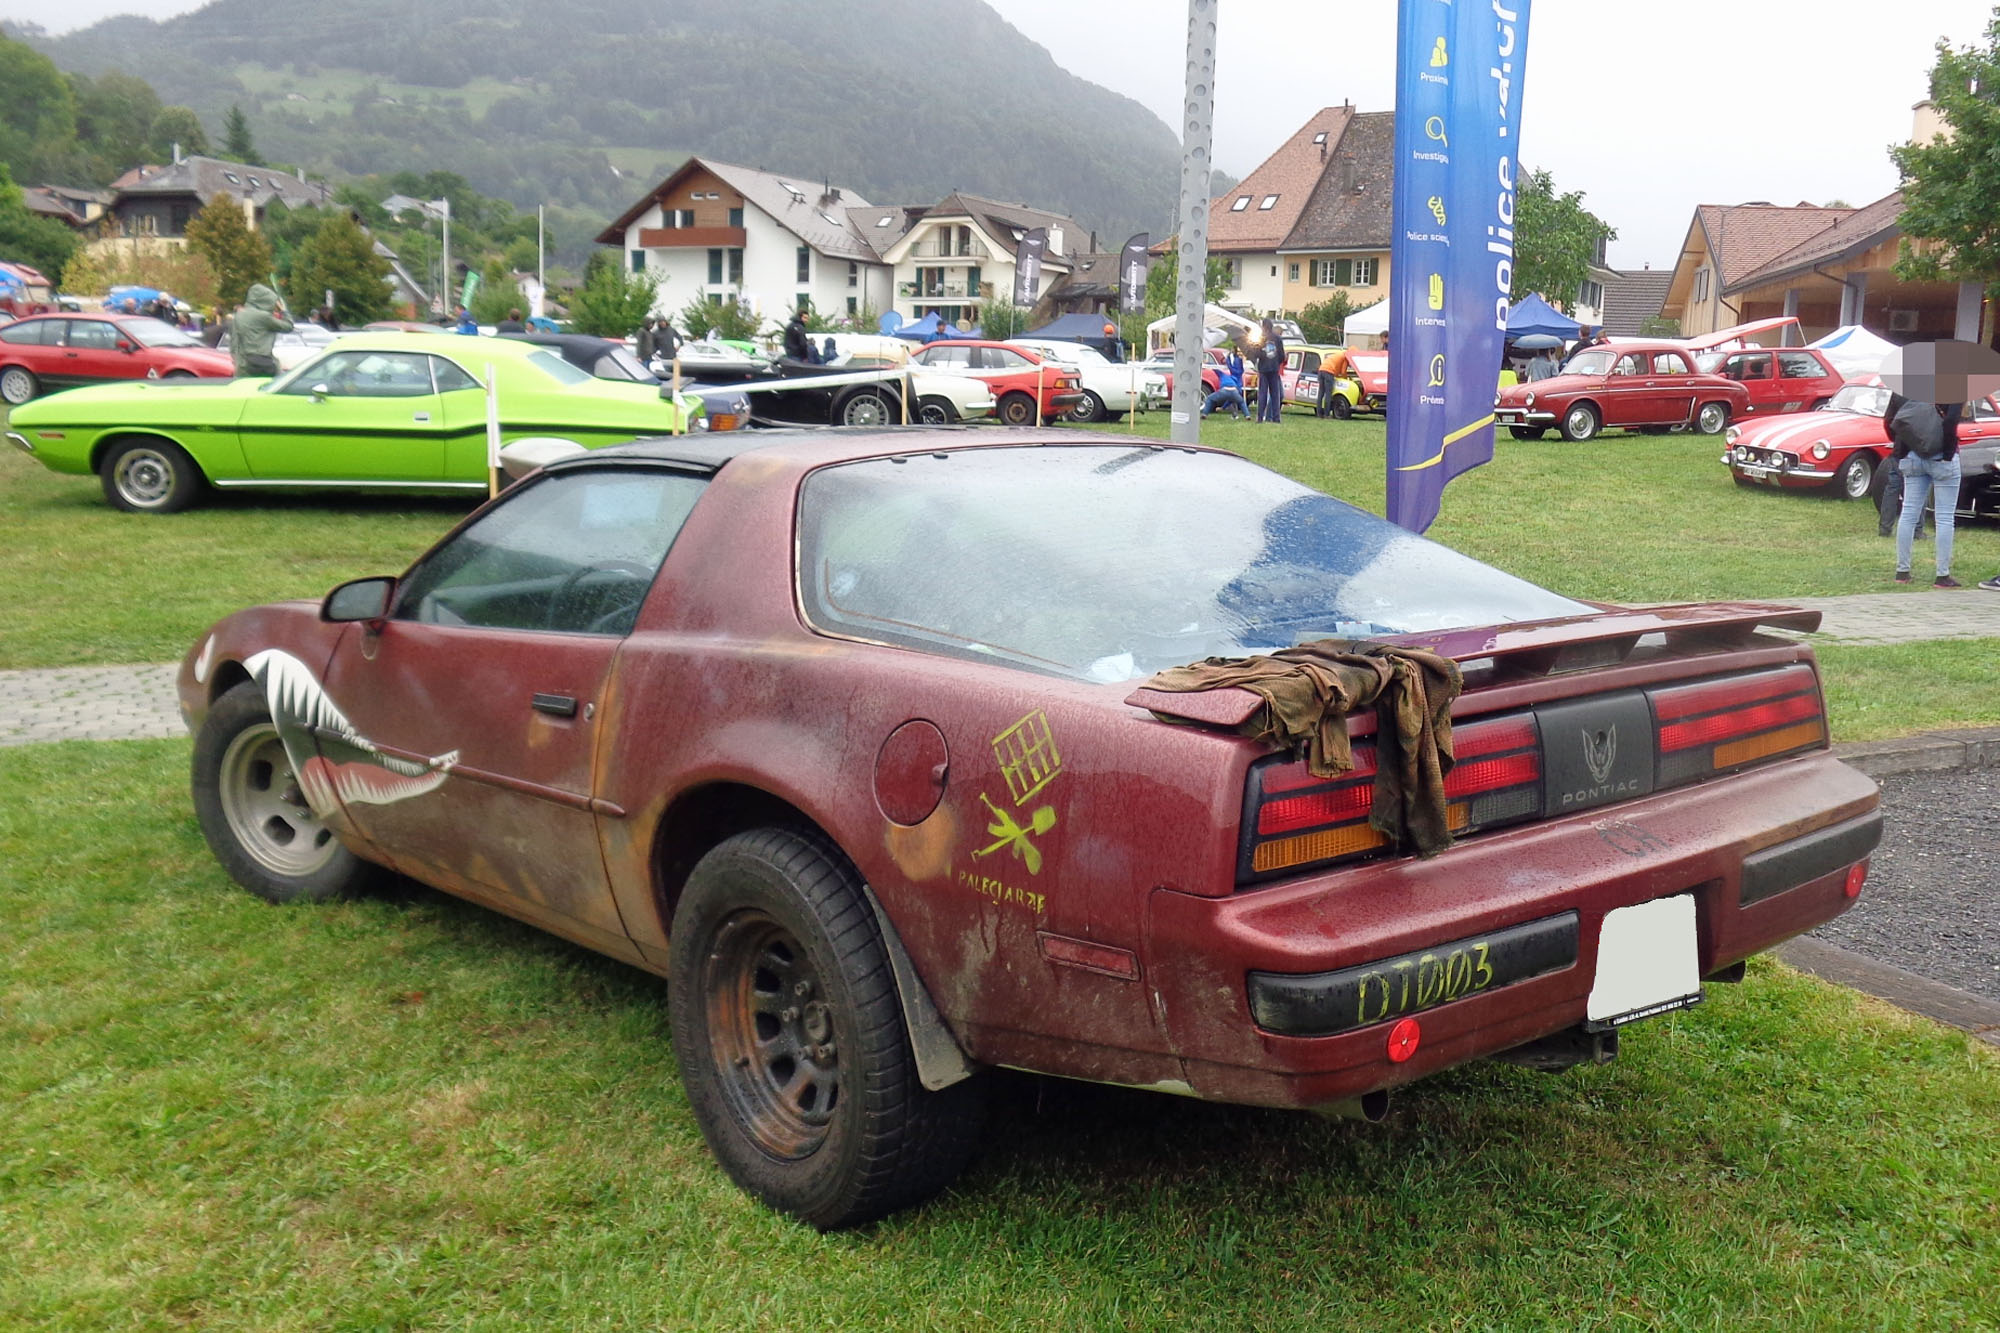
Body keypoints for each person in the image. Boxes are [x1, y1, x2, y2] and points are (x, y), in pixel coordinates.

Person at [1884, 391, 1963, 588]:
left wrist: (1904, 444)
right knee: (1944, 517)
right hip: (1942, 458)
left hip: (1911, 454)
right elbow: (1951, 420)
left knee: (1909, 512)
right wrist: (1947, 453)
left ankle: (1902, 571)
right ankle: (1942, 575)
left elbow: (1890, 420)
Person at [230, 283, 292, 378]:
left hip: (244, 363)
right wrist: (284, 311)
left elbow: (234, 341)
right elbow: (288, 326)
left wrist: (236, 359)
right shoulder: (263, 317)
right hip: (264, 361)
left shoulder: (238, 315)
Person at [1254, 319, 1284, 424]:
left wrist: (1262, 355)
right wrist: (1276, 362)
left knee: (1262, 393)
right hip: (1274, 368)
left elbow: (1257, 353)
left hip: (1263, 369)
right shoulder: (1278, 339)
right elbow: (1282, 355)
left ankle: (1260, 417)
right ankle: (1276, 418)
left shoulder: (1261, 339)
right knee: (1275, 394)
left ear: (1264, 327)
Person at [1315, 344, 1351, 419]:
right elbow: (1343, 371)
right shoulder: (1345, 357)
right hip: (1328, 372)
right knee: (1328, 394)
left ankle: (1319, 413)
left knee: (1321, 393)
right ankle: (1326, 414)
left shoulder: (1339, 354)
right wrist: (1346, 379)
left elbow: (1337, 369)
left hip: (1321, 370)